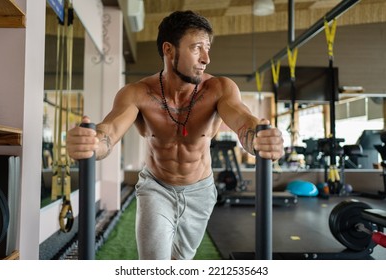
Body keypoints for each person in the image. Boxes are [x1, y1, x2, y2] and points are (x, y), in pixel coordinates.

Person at [66, 10, 284, 260]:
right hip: (156, 187)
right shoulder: (137, 94)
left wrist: (258, 137)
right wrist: (92, 143)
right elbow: (109, 132)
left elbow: (243, 120)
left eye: (208, 48)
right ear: (169, 50)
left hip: (200, 191)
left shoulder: (219, 89)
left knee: (180, 264)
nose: (206, 58)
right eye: (197, 48)